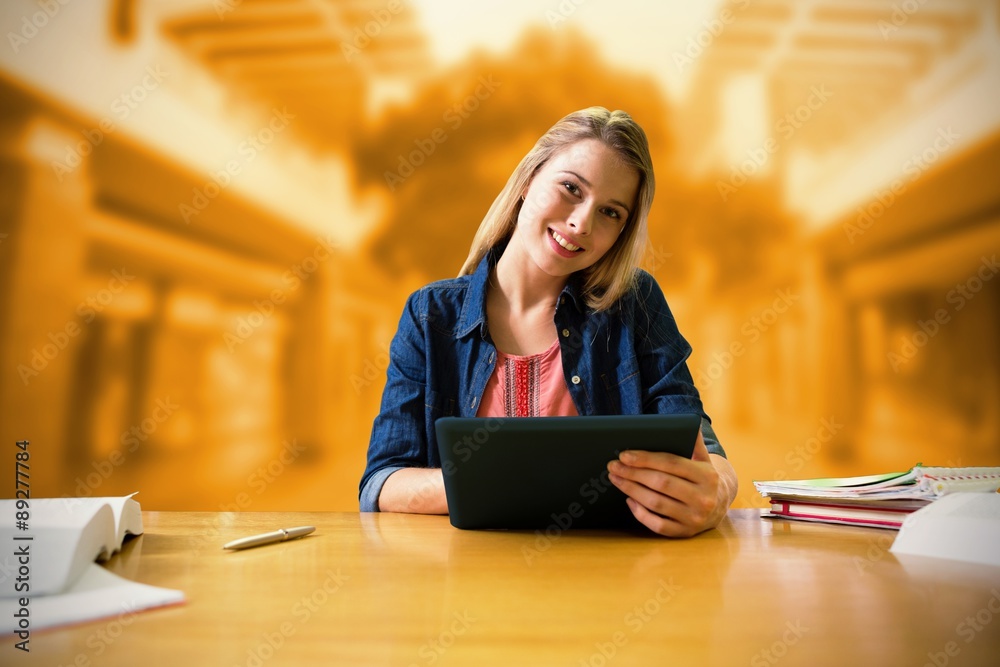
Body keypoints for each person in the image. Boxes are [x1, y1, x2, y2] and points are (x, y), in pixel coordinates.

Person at [360, 107, 737, 537]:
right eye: (571, 188)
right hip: (465, 586)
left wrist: (720, 491)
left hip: (610, 583)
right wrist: (502, 482)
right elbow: (380, 484)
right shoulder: (430, 316)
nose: (581, 223)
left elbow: (701, 445)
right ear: (527, 180)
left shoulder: (634, 301)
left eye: (611, 213)